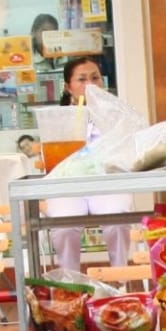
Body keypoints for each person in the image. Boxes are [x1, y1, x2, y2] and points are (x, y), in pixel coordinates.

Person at [46, 56, 131, 276]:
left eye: (95, 78)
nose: (90, 85)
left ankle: (119, 281)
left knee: (117, 222)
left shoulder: (117, 114)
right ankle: (70, 287)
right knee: (64, 228)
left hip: (107, 183)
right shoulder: (57, 119)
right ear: (68, 87)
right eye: (82, 80)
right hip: (69, 187)